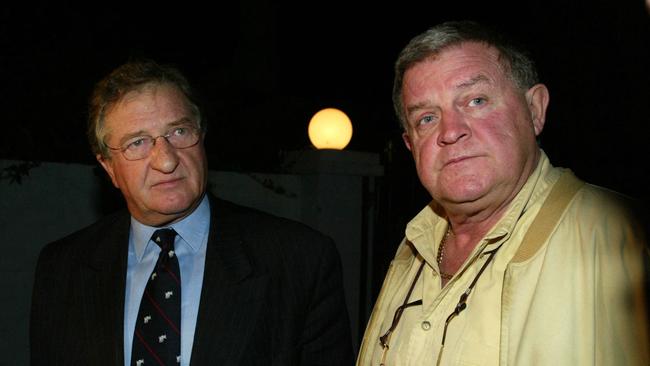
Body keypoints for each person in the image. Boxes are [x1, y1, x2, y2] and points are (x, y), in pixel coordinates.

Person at [357, 20, 649, 365]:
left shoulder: (618, 237)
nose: (450, 132)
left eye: (476, 101)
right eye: (426, 118)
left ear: (535, 109)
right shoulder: (411, 252)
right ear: (410, 145)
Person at [30, 59, 354, 366]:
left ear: (202, 137)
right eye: (138, 142)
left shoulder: (299, 260)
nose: (166, 160)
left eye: (179, 132)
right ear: (108, 167)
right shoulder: (63, 271)